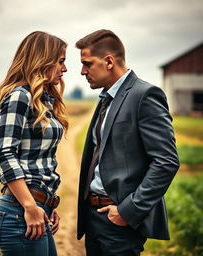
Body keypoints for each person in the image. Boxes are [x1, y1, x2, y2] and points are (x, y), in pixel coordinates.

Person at [76, 29, 180, 256]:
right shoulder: (106, 98)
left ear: (109, 61)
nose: (82, 71)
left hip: (119, 221)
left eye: (87, 64)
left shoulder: (145, 95)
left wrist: (128, 211)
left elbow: (166, 161)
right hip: (93, 216)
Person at [0, 31, 68, 256]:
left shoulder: (42, 102)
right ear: (43, 60)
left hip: (37, 209)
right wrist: (31, 206)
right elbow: (4, 153)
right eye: (60, 62)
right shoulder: (19, 96)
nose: (64, 69)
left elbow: (42, 159)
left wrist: (47, 205)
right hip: (19, 214)